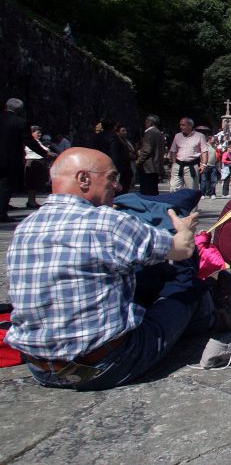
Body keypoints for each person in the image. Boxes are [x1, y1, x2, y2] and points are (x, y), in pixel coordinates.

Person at [5, 148, 212, 390]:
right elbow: (182, 249)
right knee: (187, 293)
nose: (119, 187)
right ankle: (213, 318)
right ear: (84, 179)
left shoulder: (26, 227)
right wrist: (184, 229)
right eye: (112, 178)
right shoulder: (108, 222)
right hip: (106, 365)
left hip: (40, 368)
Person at [0, 99, 53, 221]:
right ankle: (1, 213)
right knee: (5, 186)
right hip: (9, 160)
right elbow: (30, 142)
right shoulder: (21, 122)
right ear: (20, 110)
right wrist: (45, 153)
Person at [168, 118, 209, 192]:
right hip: (178, 165)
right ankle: (176, 203)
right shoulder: (177, 136)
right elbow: (173, 150)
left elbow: (204, 151)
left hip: (192, 166)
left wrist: (204, 164)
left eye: (183, 125)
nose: (181, 127)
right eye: (180, 125)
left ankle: (191, 203)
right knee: (174, 189)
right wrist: (174, 164)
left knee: (191, 190)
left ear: (190, 126)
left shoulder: (200, 136)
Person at [107, 123, 136, 195]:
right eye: (123, 131)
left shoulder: (125, 141)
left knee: (125, 188)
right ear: (117, 132)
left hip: (126, 169)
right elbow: (116, 156)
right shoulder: (115, 142)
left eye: (125, 130)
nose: (125, 132)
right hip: (121, 169)